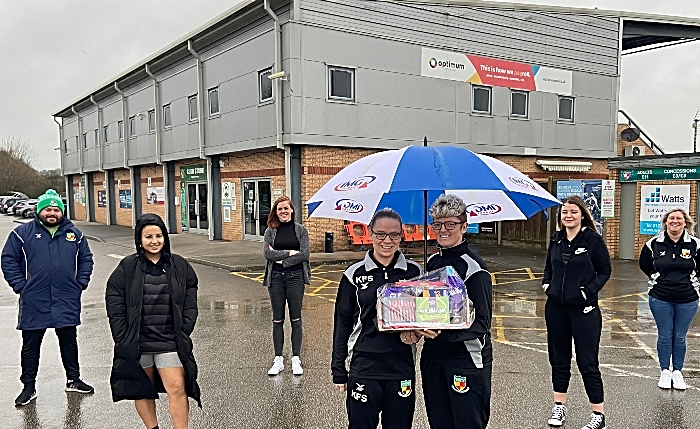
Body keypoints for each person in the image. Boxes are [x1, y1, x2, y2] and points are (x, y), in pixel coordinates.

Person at [106, 213, 201, 429]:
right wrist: (122, 335)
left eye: (159, 235)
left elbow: (190, 296)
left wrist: (185, 326)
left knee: (177, 386)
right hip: (138, 342)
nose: (154, 241)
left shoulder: (179, 265)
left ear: (165, 237)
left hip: (169, 341)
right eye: (148, 236)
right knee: (143, 388)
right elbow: (114, 299)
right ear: (139, 239)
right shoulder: (127, 267)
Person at [1, 189, 95, 406]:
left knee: (69, 342)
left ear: (61, 212)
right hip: (35, 299)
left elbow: (86, 259)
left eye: (56, 209)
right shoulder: (21, 233)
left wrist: (80, 283)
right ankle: (28, 386)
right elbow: (8, 260)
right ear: (39, 211)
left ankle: (73, 379)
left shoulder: (75, 235)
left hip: (66, 298)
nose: (52, 213)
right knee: (31, 345)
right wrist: (20, 286)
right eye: (47, 210)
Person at [332, 208, 422, 429]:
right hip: (364, 366)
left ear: (402, 235)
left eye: (394, 235)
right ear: (370, 233)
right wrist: (338, 369)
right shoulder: (354, 274)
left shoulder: (415, 272)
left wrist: (418, 332)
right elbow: (342, 322)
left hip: (400, 367)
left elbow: (425, 317)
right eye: (380, 234)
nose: (387, 240)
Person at [542, 195, 611, 429]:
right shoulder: (556, 239)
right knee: (559, 360)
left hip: (584, 310)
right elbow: (549, 267)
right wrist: (547, 284)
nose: (568, 216)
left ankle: (597, 414)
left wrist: (587, 291)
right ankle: (559, 407)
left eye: (573, 211)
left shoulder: (592, 240)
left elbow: (605, 271)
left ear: (582, 214)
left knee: (587, 362)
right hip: (556, 309)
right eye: (564, 212)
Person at [639, 208, 700, 391]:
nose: (675, 221)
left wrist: (691, 283)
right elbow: (645, 265)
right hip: (660, 297)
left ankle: (678, 372)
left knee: (679, 337)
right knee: (665, 335)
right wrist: (659, 279)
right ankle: (665, 371)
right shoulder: (653, 244)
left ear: (685, 222)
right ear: (666, 222)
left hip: (688, 298)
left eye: (679, 219)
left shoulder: (695, 244)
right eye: (671, 218)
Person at [262, 196, 311, 376]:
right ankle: (278, 359)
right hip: (275, 278)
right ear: (276, 212)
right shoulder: (270, 231)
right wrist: (290, 252)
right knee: (278, 319)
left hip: (296, 277)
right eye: (280, 209)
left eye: (286, 208)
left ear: (291, 210)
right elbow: (267, 254)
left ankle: (296, 358)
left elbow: (305, 254)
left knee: (296, 319)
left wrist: (282, 260)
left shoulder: (301, 230)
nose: (283, 212)